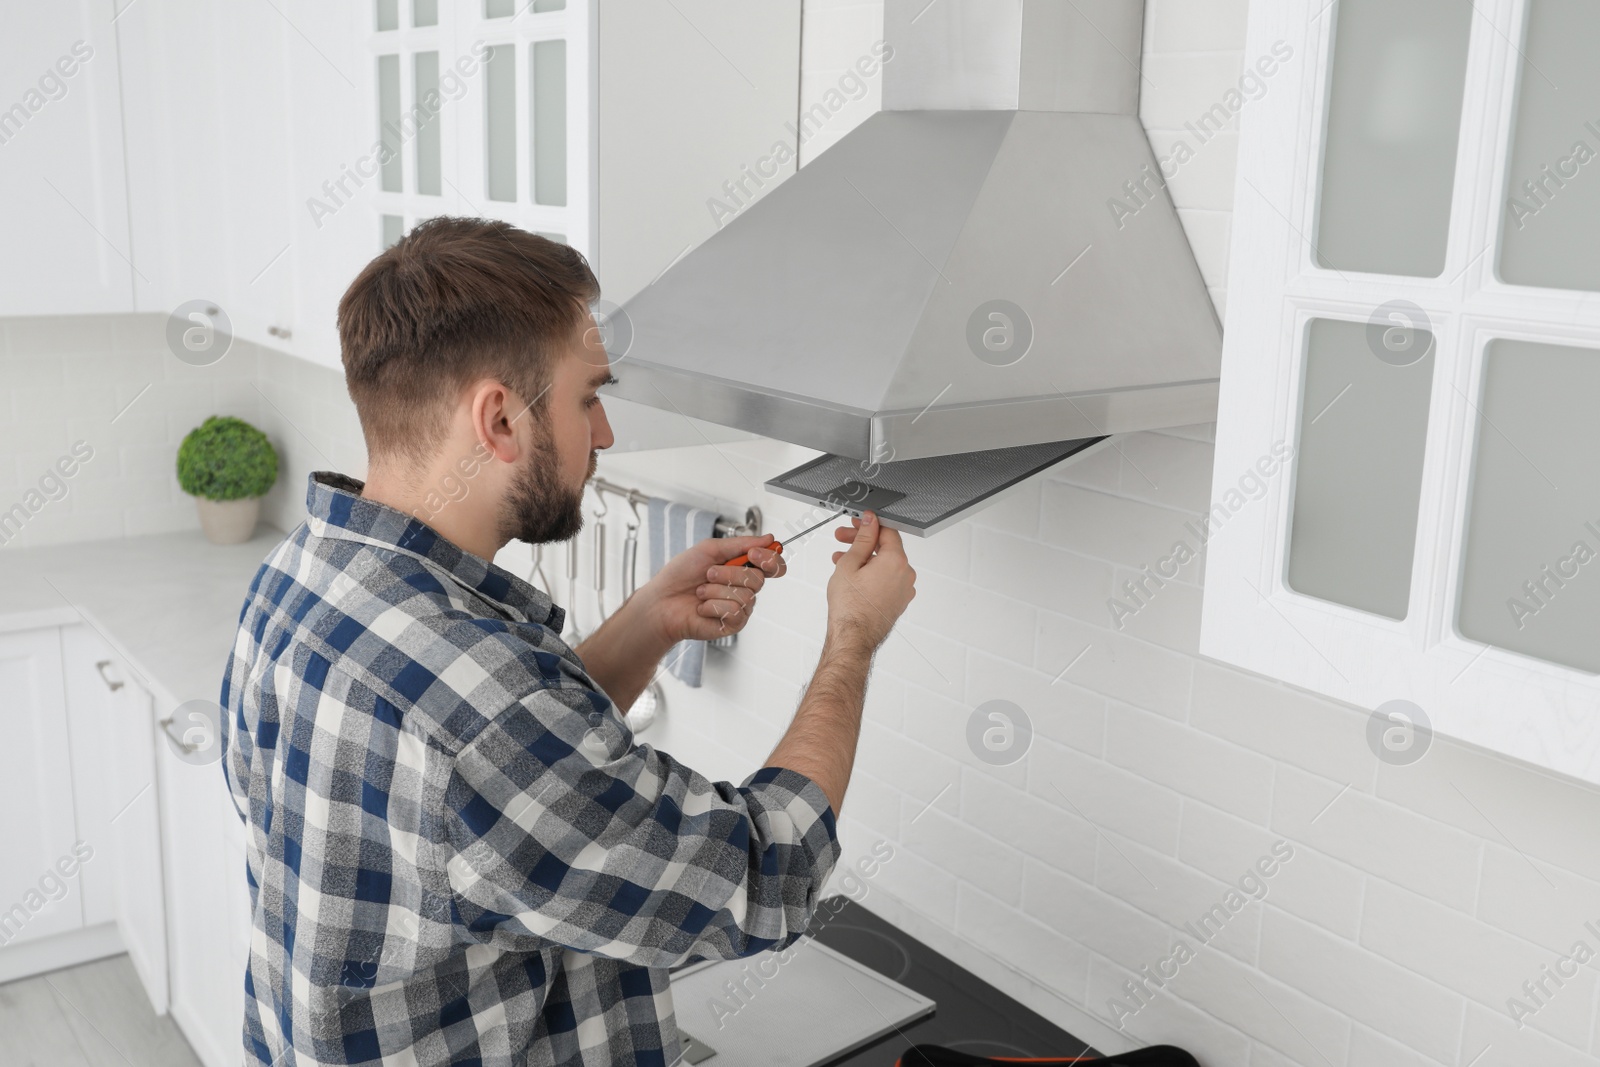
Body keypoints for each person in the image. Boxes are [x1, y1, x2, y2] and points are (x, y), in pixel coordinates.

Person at [219, 216, 917, 1066]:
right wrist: (853, 638)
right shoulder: (482, 706)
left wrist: (651, 618)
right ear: (500, 420)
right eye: (588, 396)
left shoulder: (304, 575)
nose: (607, 433)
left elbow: (470, 798)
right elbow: (770, 876)